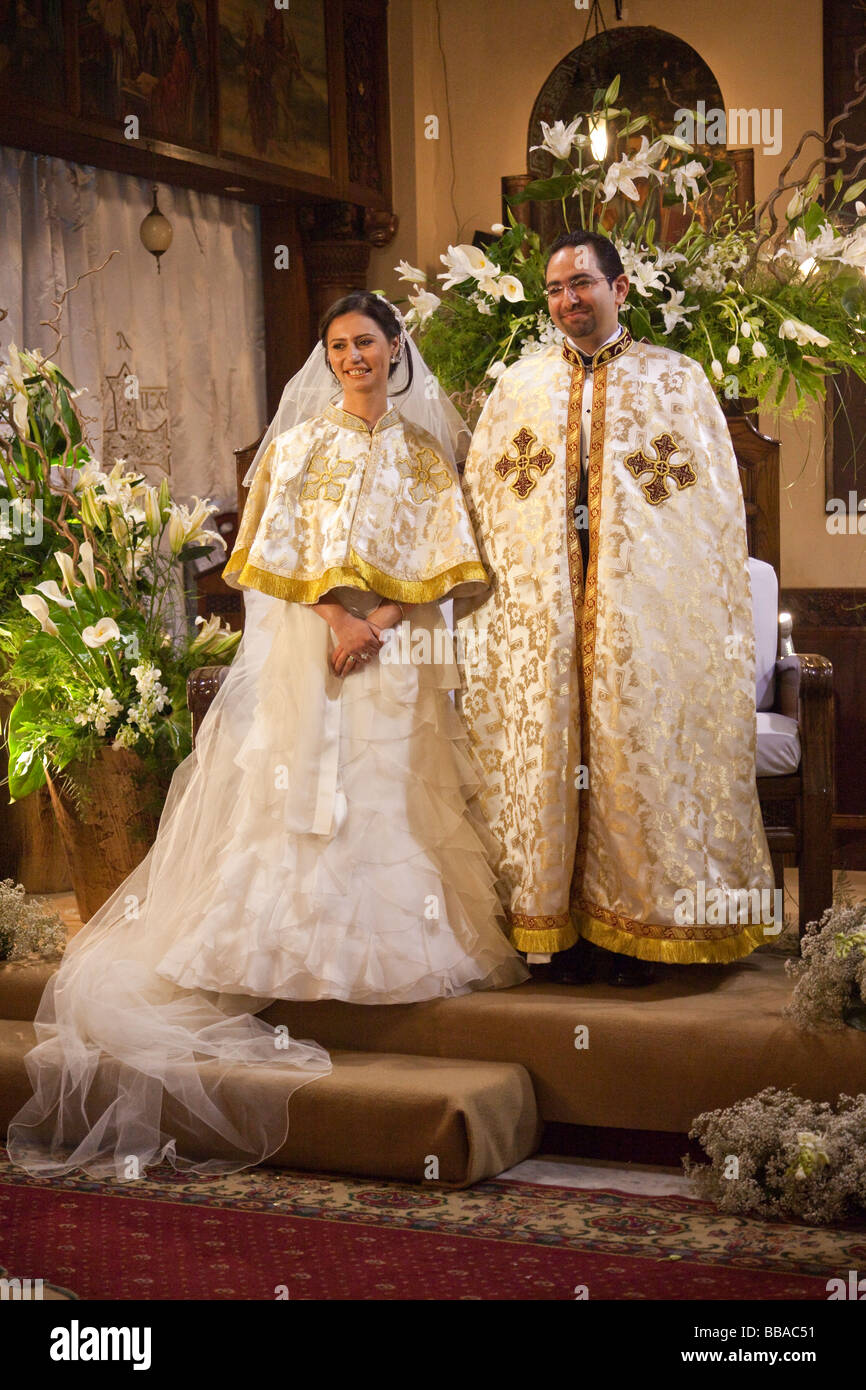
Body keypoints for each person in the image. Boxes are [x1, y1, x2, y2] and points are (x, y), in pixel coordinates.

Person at [7, 292, 528, 1181]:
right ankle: (276, 950)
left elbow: (453, 562)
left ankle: (379, 961)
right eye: (337, 345)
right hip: (307, 653)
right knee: (291, 792)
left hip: (392, 656)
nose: (353, 357)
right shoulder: (295, 448)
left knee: (388, 794)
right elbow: (263, 554)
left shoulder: (425, 453)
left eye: (367, 341)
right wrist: (335, 617)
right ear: (324, 358)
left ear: (396, 347)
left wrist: (383, 621)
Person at [455, 230, 774, 987]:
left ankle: (642, 931)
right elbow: (488, 504)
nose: (569, 300)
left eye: (583, 284)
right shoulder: (519, 387)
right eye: (557, 289)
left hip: (643, 616)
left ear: (621, 289)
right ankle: (555, 930)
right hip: (544, 614)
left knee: (636, 760)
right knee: (550, 759)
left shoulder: (677, 381)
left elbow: (713, 513)